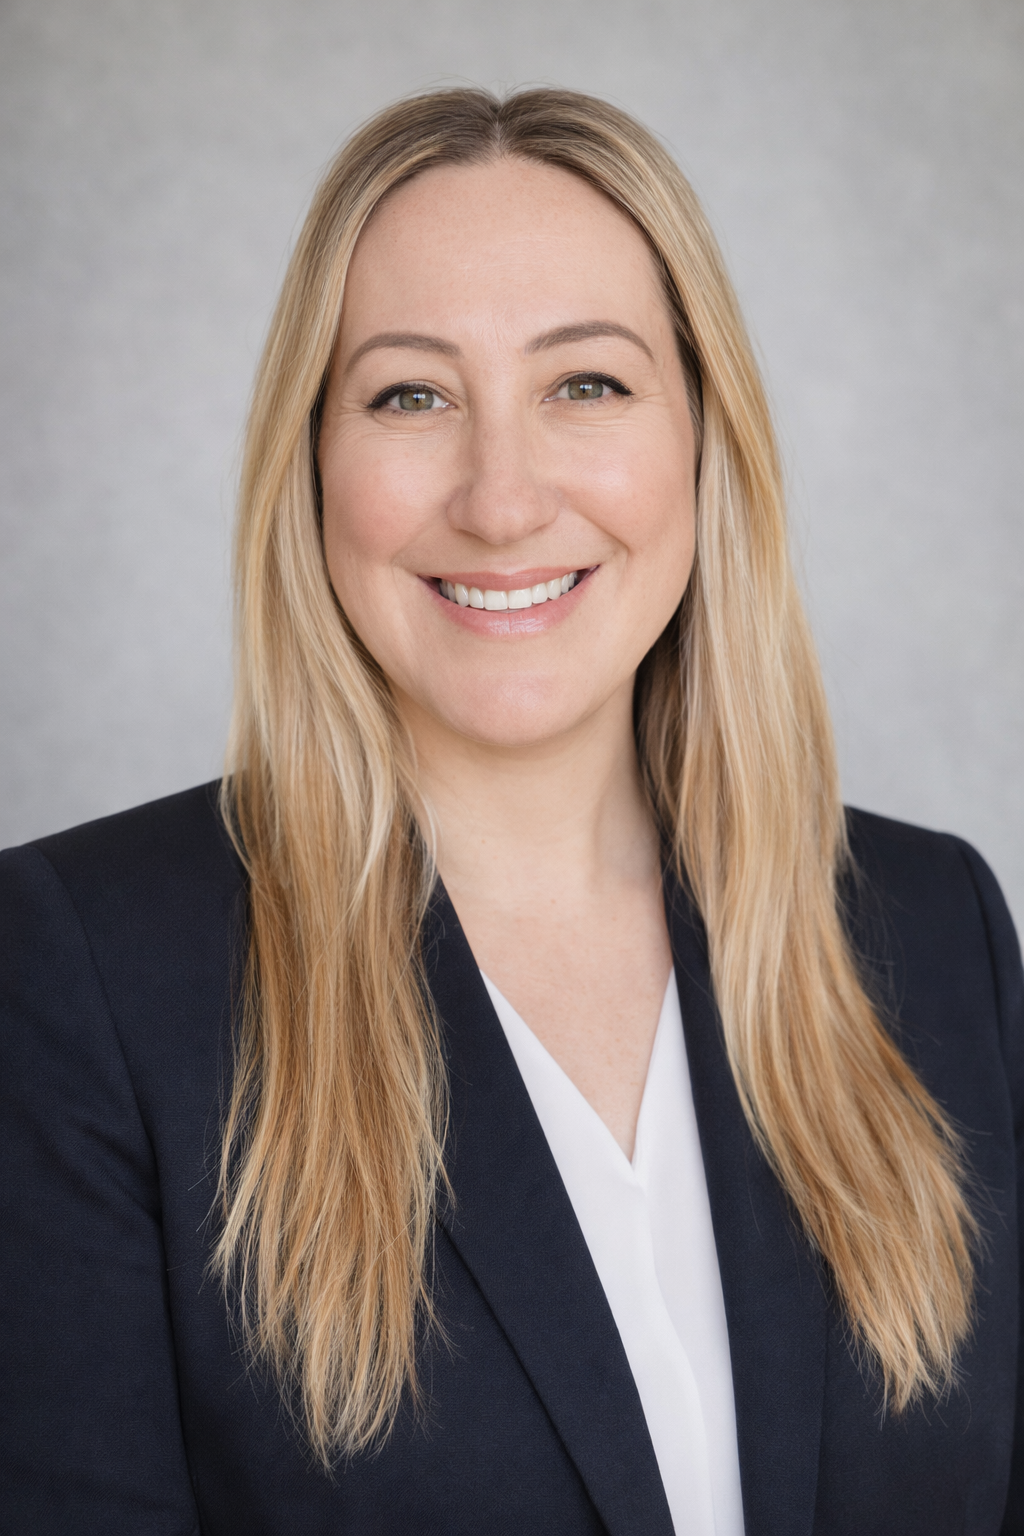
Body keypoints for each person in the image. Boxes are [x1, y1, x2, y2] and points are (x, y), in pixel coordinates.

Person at [1, 86, 1021, 1536]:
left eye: (586, 385)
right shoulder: (81, 974)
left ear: (703, 438)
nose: (499, 497)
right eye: (409, 393)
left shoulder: (937, 932)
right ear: (310, 464)